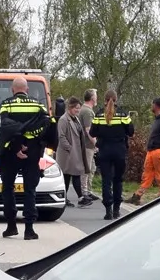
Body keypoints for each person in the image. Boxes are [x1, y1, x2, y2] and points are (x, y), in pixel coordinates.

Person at [0, 77, 53, 239]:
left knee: (8, 189)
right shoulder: (38, 105)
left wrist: (17, 145)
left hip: (9, 153)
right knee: (30, 190)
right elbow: (45, 126)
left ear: (12, 90)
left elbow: (6, 127)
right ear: (26, 89)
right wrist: (28, 143)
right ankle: (29, 229)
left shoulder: (6, 104)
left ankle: (11, 226)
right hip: (31, 152)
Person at [89, 90, 135, 220]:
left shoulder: (98, 114)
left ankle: (108, 210)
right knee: (118, 180)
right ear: (115, 99)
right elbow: (131, 131)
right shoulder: (123, 114)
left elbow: (92, 133)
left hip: (104, 151)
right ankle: (116, 210)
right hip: (119, 151)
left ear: (105, 99)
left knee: (106, 180)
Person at [56, 95, 92, 207]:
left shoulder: (75, 119)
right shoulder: (63, 120)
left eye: (79, 108)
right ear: (70, 107)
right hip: (68, 154)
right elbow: (61, 136)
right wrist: (70, 148)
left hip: (76, 152)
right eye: (76, 107)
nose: (78, 110)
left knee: (69, 176)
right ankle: (81, 198)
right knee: (75, 174)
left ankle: (65, 198)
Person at [135, 97, 160, 205]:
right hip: (152, 151)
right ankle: (138, 195)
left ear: (156, 105)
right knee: (147, 173)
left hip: (159, 150)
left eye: (152, 104)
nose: (151, 106)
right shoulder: (157, 120)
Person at [75, 89, 98, 205]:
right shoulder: (87, 112)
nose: (97, 98)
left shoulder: (86, 110)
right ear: (92, 98)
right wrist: (96, 144)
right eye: (96, 96)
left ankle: (88, 191)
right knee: (86, 169)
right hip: (87, 145)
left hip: (88, 145)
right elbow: (89, 131)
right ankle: (85, 192)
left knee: (91, 168)